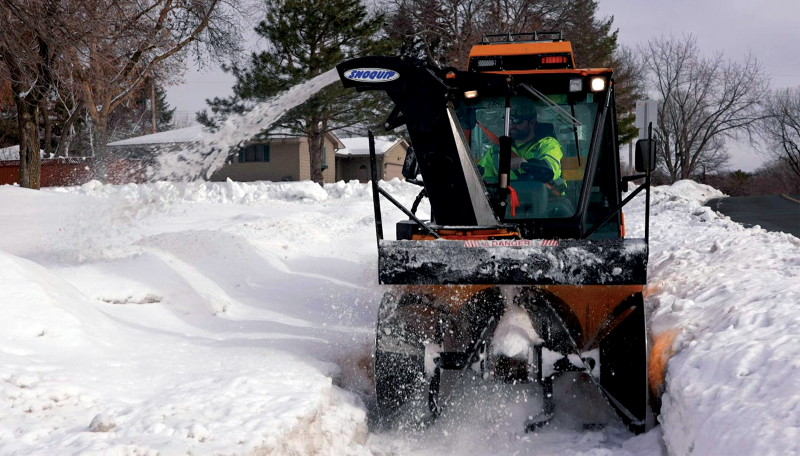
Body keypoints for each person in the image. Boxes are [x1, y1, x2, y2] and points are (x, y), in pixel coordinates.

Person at [477, 108, 563, 183]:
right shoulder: (496, 151)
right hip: (507, 196)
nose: (512, 124)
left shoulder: (548, 144)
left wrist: (527, 164)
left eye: (517, 120)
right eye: (509, 120)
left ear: (532, 122)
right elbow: (481, 178)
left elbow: (551, 168)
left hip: (546, 196)